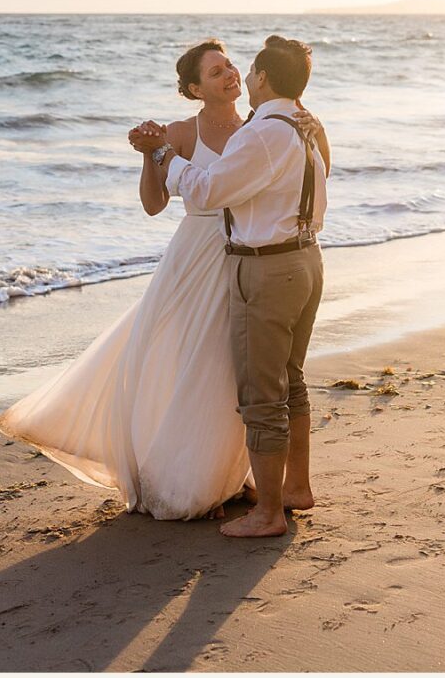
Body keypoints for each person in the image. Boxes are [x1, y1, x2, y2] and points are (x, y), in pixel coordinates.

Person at [0, 40, 257, 520]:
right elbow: (154, 204)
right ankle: (186, 477)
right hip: (193, 256)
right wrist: (149, 156)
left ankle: (226, 475)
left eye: (231, 66)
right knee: (181, 362)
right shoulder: (180, 132)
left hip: (243, 254)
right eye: (216, 71)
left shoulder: (255, 128)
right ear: (195, 88)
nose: (229, 74)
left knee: (227, 367)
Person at [151, 35, 329, 538]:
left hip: (267, 268)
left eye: (246, 70)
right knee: (290, 380)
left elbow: (208, 189)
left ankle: (269, 512)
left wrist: (168, 156)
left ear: (264, 79)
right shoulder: (308, 125)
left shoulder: (262, 133)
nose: (242, 78)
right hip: (307, 258)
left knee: (261, 394)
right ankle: (296, 488)